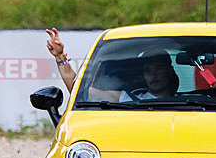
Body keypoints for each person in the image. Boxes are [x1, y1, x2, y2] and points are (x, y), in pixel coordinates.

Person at [45, 28, 177, 102]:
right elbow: (80, 92)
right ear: (142, 74)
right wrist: (59, 56)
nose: (153, 75)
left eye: (159, 68)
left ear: (170, 71)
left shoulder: (191, 104)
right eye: (148, 70)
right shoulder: (129, 100)